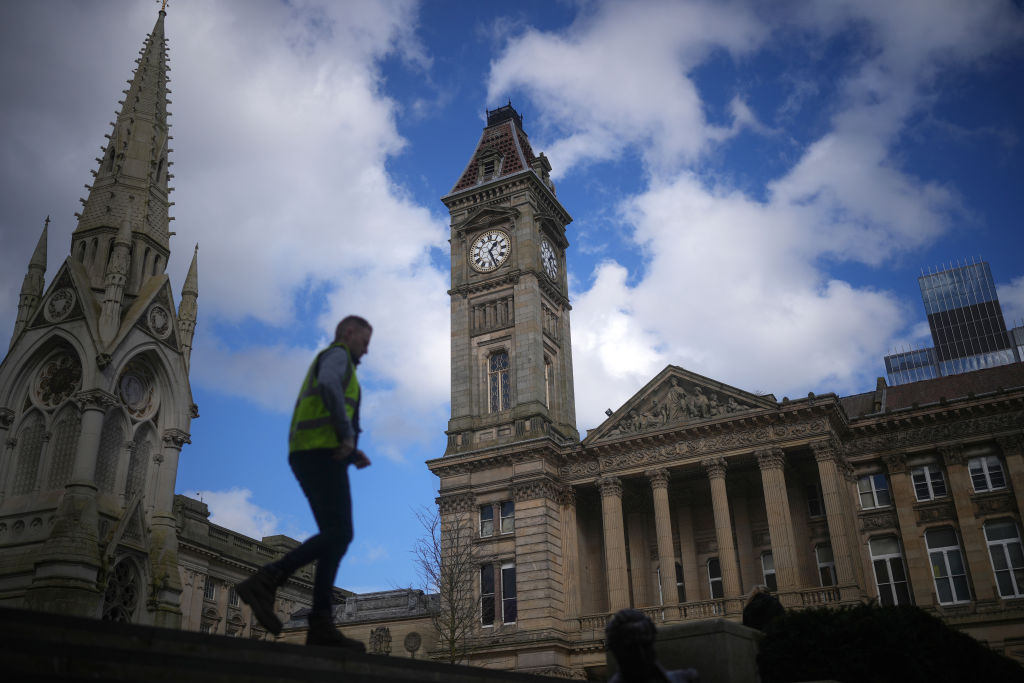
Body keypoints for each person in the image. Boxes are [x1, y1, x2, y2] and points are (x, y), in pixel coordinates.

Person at [237, 315, 373, 650]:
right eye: (365, 342)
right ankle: (269, 580)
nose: (366, 351)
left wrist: (352, 450)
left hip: (316, 453)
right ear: (348, 333)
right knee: (340, 533)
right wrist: (345, 437)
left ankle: (319, 624)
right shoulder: (337, 356)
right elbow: (327, 385)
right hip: (318, 453)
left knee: (336, 538)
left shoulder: (343, 364)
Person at [605, 609, 700, 682]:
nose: (641, 653)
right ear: (616, 652)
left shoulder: (687, 678)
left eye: (646, 644)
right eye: (632, 648)